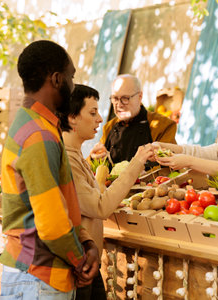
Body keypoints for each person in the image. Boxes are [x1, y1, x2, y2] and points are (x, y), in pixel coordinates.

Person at [0, 40, 99, 299]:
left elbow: (59, 203)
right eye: (71, 77)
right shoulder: (39, 135)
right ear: (56, 79)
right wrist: (81, 261)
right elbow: (53, 225)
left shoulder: (29, 123)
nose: (73, 85)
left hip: (31, 275)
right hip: (40, 280)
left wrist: (86, 241)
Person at [59, 84, 153, 299]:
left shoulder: (76, 157)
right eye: (92, 113)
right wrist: (136, 163)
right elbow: (99, 207)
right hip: (77, 266)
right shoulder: (68, 161)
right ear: (72, 118)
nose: (100, 119)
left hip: (86, 264)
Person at [89, 74, 177, 167]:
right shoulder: (109, 127)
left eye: (125, 98)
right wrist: (93, 158)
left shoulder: (163, 126)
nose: (119, 104)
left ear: (140, 96)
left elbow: (169, 166)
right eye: (115, 98)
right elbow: (98, 167)